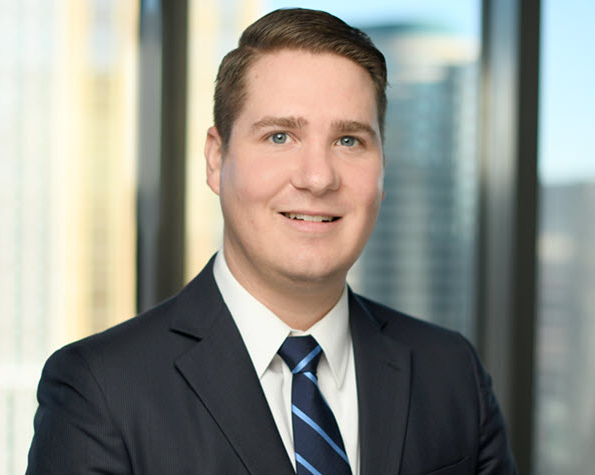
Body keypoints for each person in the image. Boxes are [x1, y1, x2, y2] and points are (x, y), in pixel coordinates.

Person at [26, 8, 516, 475]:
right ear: (216, 159)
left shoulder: (452, 373)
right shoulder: (101, 389)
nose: (318, 178)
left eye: (349, 140)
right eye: (280, 136)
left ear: (382, 169)